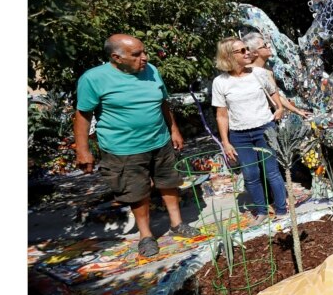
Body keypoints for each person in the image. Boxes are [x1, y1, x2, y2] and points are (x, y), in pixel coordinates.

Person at [74, 34, 200, 258]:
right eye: (137, 54)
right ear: (116, 57)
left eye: (144, 52)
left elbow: (163, 102)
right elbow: (83, 115)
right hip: (123, 148)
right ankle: (146, 235)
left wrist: (174, 130)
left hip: (159, 140)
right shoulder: (94, 78)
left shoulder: (151, 70)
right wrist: (82, 151)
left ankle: (177, 223)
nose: (145, 58)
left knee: (169, 182)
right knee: (136, 191)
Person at [212, 37, 290, 225]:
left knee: (271, 171)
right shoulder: (220, 82)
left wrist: (279, 108)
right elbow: (222, 115)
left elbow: (273, 92)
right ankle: (261, 211)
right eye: (242, 51)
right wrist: (226, 142)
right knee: (250, 174)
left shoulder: (259, 73)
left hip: (264, 129)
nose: (248, 53)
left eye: (247, 49)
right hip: (239, 135)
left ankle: (281, 209)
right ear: (228, 56)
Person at [241, 32, 311, 119]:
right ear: (255, 53)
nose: (269, 46)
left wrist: (297, 111)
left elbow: (277, 96)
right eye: (265, 45)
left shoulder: (268, 69)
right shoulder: (247, 72)